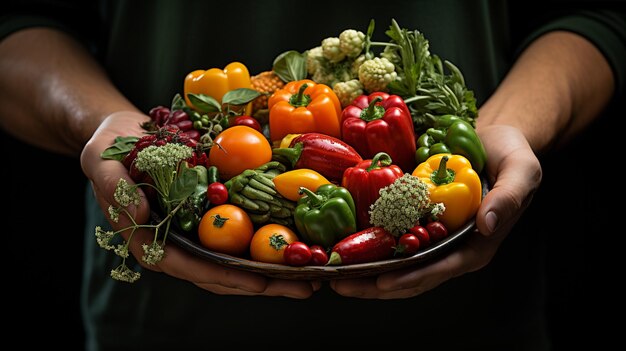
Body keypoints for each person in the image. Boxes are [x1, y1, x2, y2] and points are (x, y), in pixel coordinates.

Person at [1, 0, 624, 349]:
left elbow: (597, 16)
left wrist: (511, 126)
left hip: (474, 325)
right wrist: (103, 124)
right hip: (158, 328)